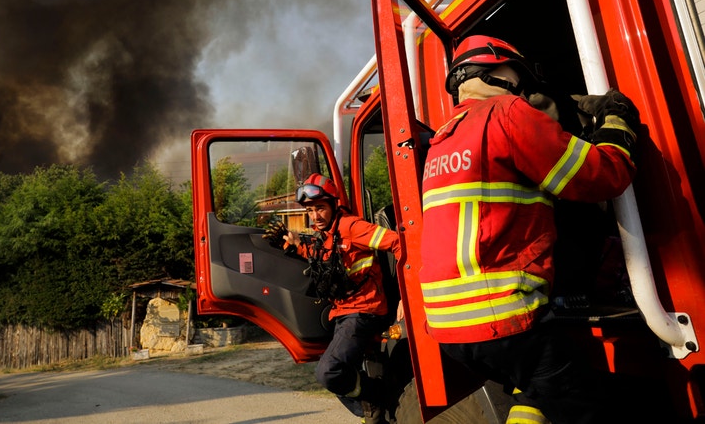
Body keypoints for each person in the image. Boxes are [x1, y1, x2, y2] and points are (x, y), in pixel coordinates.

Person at [419, 35, 639, 424]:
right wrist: (616, 121)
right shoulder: (507, 113)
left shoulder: (443, 140)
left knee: (535, 393)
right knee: (590, 410)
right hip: (504, 319)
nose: (524, 89)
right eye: (520, 77)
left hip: (450, 330)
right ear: (500, 73)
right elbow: (602, 176)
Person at [269, 172, 401, 424]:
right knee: (337, 373)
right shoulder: (327, 235)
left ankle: (377, 398)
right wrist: (294, 245)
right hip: (343, 312)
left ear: (333, 205)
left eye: (320, 208)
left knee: (329, 372)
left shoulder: (351, 227)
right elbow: (327, 260)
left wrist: (407, 296)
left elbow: (397, 242)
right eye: (310, 210)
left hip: (363, 311)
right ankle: (373, 410)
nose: (315, 216)